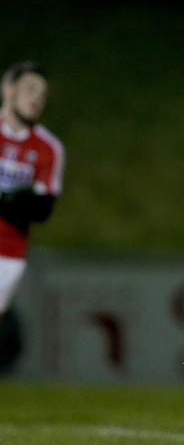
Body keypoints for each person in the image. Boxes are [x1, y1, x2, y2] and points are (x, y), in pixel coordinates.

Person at [0, 61, 65, 373]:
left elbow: (42, 209)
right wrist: (15, 199)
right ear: (8, 91)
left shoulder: (48, 147)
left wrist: (8, 200)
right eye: (29, 89)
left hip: (8, 253)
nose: (37, 98)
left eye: (42, 94)